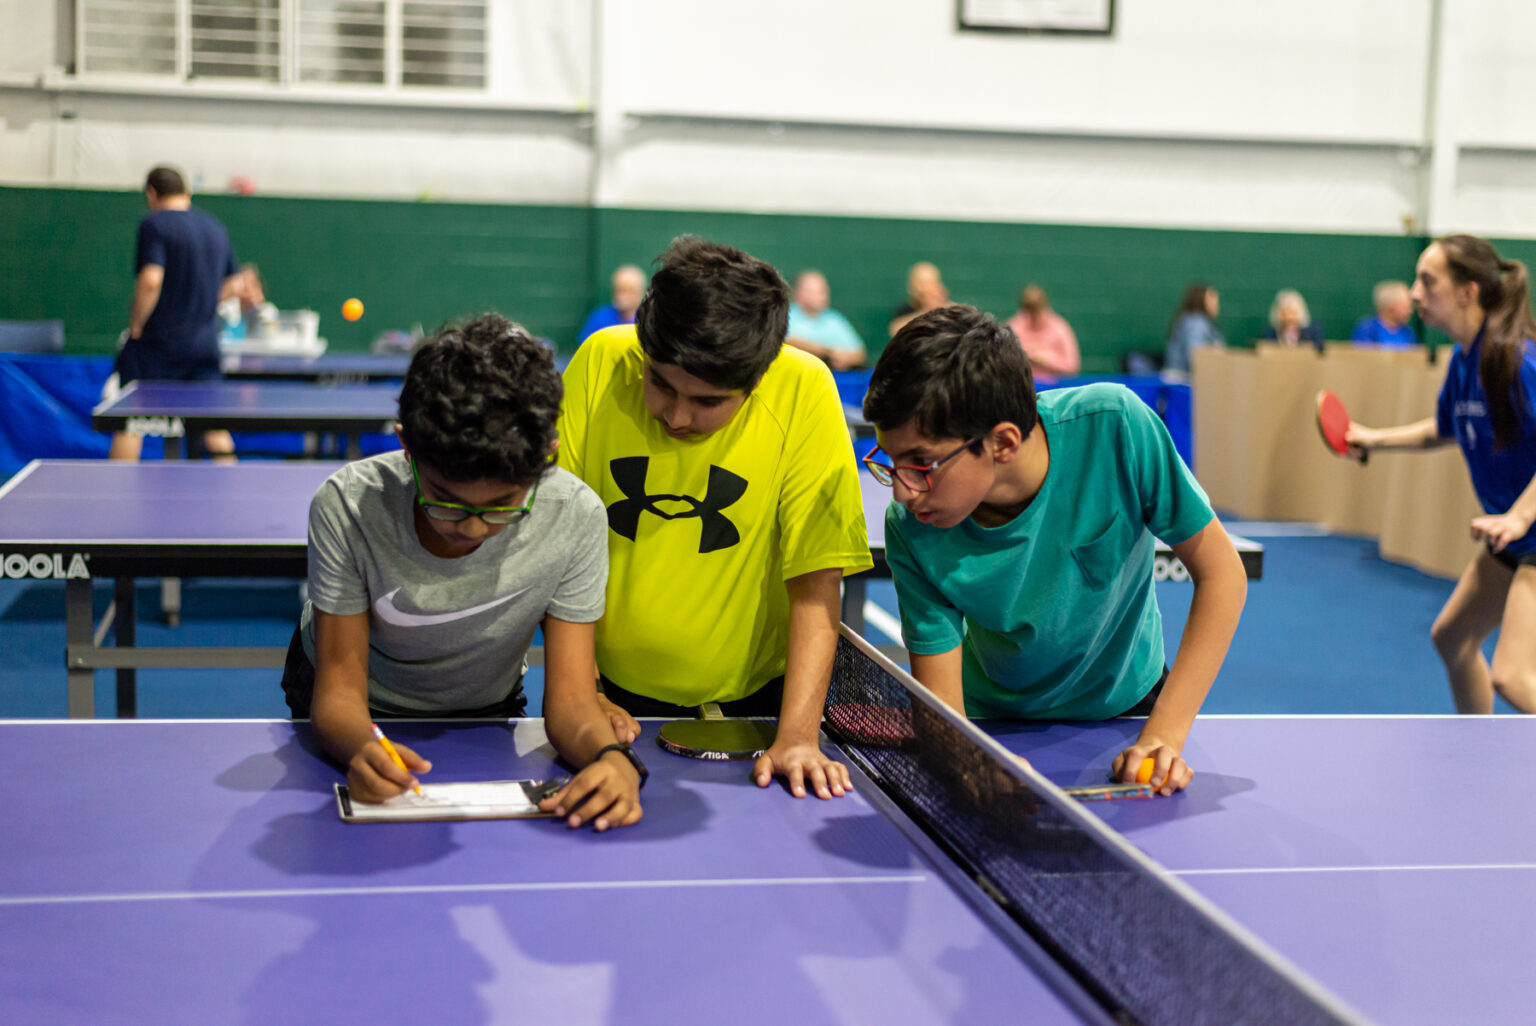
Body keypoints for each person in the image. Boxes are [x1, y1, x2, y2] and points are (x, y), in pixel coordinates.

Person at [861, 305, 1248, 793]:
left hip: (1129, 708)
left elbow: (1222, 574)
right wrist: (966, 757)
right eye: (889, 462)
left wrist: (1166, 733)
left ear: (1001, 442)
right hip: (992, 722)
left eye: (920, 463)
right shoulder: (913, 528)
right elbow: (944, 709)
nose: (901, 491)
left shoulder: (1117, 428)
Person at [282, 314, 644, 828]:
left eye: (501, 505)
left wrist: (615, 761)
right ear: (407, 446)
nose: (473, 529)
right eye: (446, 502)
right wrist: (365, 745)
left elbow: (571, 702)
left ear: (547, 458)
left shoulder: (576, 516)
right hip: (360, 703)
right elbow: (339, 693)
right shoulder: (347, 506)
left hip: (485, 702)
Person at [558, 237, 872, 801]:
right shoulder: (600, 362)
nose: (677, 415)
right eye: (660, 384)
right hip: (604, 704)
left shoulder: (804, 391)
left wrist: (798, 736)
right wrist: (584, 693)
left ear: (756, 380)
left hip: (756, 709)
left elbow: (816, 578)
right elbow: (554, 548)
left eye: (708, 402)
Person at [1345, 235, 1536, 715]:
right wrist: (1374, 438)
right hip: (1515, 537)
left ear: (1468, 292)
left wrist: (1518, 515)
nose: (1414, 293)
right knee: (1453, 638)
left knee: (1514, 677)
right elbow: (1447, 427)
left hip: (1527, 530)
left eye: (1428, 282)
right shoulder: (1465, 359)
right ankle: (1480, 759)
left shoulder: (1521, 360)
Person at [108, 165, 244, 460]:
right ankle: (234, 482)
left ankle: (112, 495)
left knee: (130, 421)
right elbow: (234, 284)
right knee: (214, 425)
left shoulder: (154, 224)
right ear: (187, 193)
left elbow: (151, 281)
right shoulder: (215, 228)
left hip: (159, 345)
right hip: (205, 346)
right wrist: (205, 300)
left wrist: (136, 324)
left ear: (151, 193)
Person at [785, 270, 866, 370]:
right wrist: (828, 352)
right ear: (798, 293)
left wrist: (843, 358)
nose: (820, 296)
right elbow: (787, 340)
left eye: (823, 291)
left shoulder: (834, 320)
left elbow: (859, 354)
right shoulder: (785, 315)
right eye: (813, 292)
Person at [1006, 284, 1080, 385]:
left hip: (1052, 388)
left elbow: (1072, 366)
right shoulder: (1013, 328)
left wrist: (1047, 360)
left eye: (1036, 311)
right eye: (1029, 311)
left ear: (1045, 307)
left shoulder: (1060, 328)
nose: (1033, 317)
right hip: (1020, 387)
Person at [577, 265, 646, 346]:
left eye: (627, 290)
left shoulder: (649, 320)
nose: (621, 296)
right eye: (618, 290)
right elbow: (585, 346)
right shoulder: (599, 317)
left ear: (640, 292)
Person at [1162, 284, 1223, 375]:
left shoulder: (1196, 321)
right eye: (1212, 299)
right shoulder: (1196, 323)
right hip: (1182, 379)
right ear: (1201, 300)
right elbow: (1194, 358)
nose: (1216, 304)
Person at [889, 261, 950, 337]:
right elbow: (896, 332)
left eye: (931, 282)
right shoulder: (904, 310)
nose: (926, 288)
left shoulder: (947, 309)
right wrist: (927, 310)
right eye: (921, 283)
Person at [1351, 280, 1419, 347]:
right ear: (1391, 309)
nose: (1410, 311)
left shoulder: (1408, 332)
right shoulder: (1367, 330)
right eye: (1405, 308)